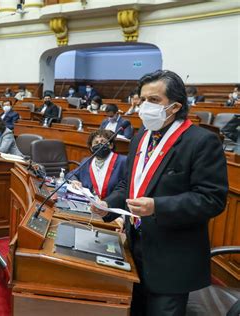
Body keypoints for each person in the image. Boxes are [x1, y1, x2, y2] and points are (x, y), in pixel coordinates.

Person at [92, 70, 228, 316]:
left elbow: (212, 200)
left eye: (154, 100)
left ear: (175, 106)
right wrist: (107, 204)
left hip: (172, 257)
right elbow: (128, 185)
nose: (144, 106)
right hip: (135, 247)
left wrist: (158, 206)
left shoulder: (201, 142)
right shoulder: (141, 137)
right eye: (142, 99)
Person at [70, 129, 126, 198]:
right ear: (91, 148)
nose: (100, 144)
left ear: (111, 145)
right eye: (96, 143)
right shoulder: (87, 161)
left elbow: (124, 188)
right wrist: (74, 180)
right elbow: (71, 174)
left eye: (103, 142)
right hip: (88, 202)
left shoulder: (122, 161)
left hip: (109, 205)